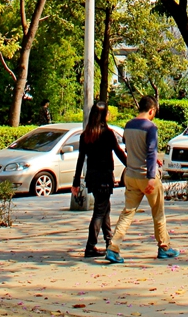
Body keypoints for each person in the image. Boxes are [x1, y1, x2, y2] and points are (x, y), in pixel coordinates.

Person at [106, 96, 179, 264]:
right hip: (147, 177)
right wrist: (152, 177)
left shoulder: (128, 125)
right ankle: (164, 247)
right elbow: (151, 152)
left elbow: (130, 147)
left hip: (130, 175)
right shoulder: (151, 128)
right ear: (151, 110)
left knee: (127, 212)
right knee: (158, 212)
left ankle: (113, 247)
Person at [71, 101, 127, 258]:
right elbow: (118, 152)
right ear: (104, 115)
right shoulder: (107, 134)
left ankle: (109, 242)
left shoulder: (86, 135)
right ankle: (90, 246)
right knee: (99, 212)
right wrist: (132, 166)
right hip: (104, 177)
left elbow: (80, 159)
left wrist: (75, 183)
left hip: (92, 177)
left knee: (104, 209)